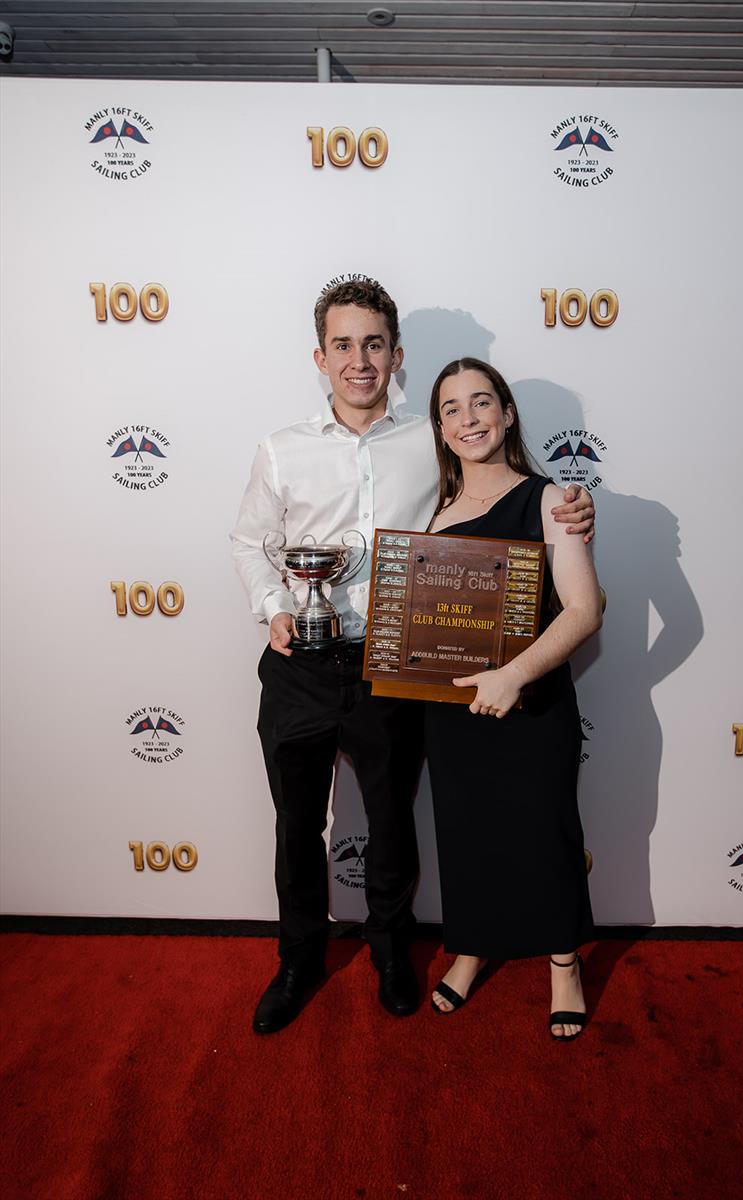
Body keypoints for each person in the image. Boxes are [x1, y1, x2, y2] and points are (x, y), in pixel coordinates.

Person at [230, 280, 596, 1034]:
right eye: (343, 345)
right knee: (298, 824)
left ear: (395, 357)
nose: (359, 361)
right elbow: (250, 543)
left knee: (394, 821)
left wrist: (574, 503)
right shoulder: (280, 449)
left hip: (397, 666)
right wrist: (274, 610)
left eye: (373, 345)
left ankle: (392, 954)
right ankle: (298, 959)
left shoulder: (432, 447)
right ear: (320, 357)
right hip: (298, 663)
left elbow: (503, 498)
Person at [424, 357, 602, 1041]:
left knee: (546, 831)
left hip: (532, 707)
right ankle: (471, 946)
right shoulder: (434, 518)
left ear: (506, 414)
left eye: (481, 403)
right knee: (465, 833)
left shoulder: (552, 498)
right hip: (454, 717)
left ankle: (564, 962)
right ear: (440, 430)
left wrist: (513, 675)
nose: (468, 419)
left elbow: (583, 610)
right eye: (451, 409)